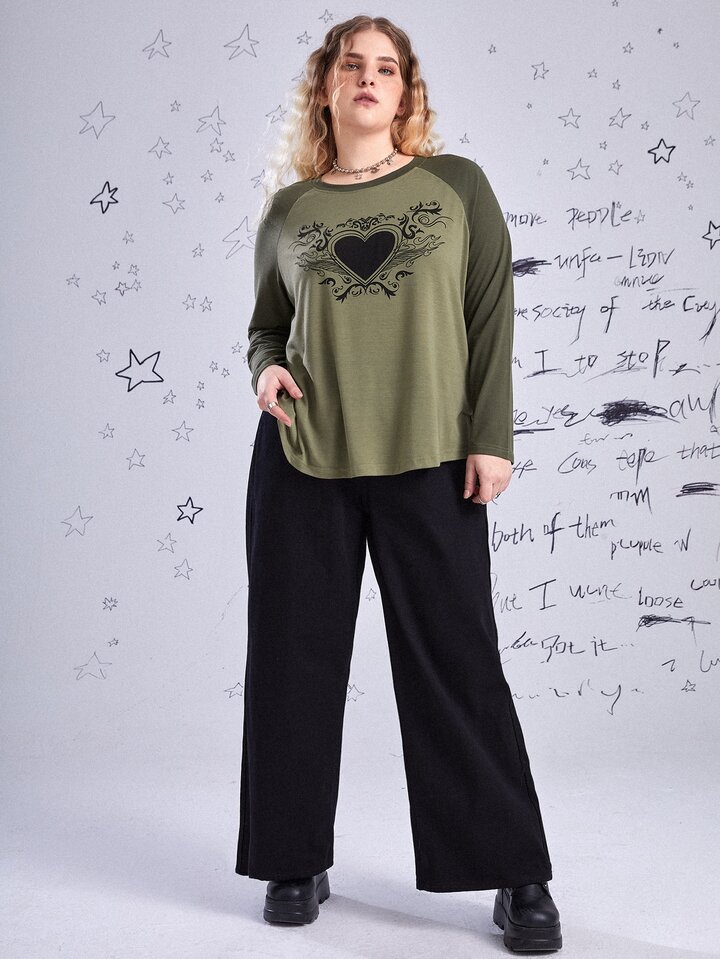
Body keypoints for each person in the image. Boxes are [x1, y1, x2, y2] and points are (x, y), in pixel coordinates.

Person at [235, 14, 562, 954]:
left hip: (431, 459)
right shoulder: (290, 209)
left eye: (388, 67)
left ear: (406, 90)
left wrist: (490, 437)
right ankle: (294, 857)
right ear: (327, 86)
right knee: (293, 663)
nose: (370, 78)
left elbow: (492, 313)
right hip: (304, 458)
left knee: (459, 665)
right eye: (353, 64)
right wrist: (265, 367)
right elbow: (265, 325)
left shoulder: (457, 187)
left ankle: (514, 871)